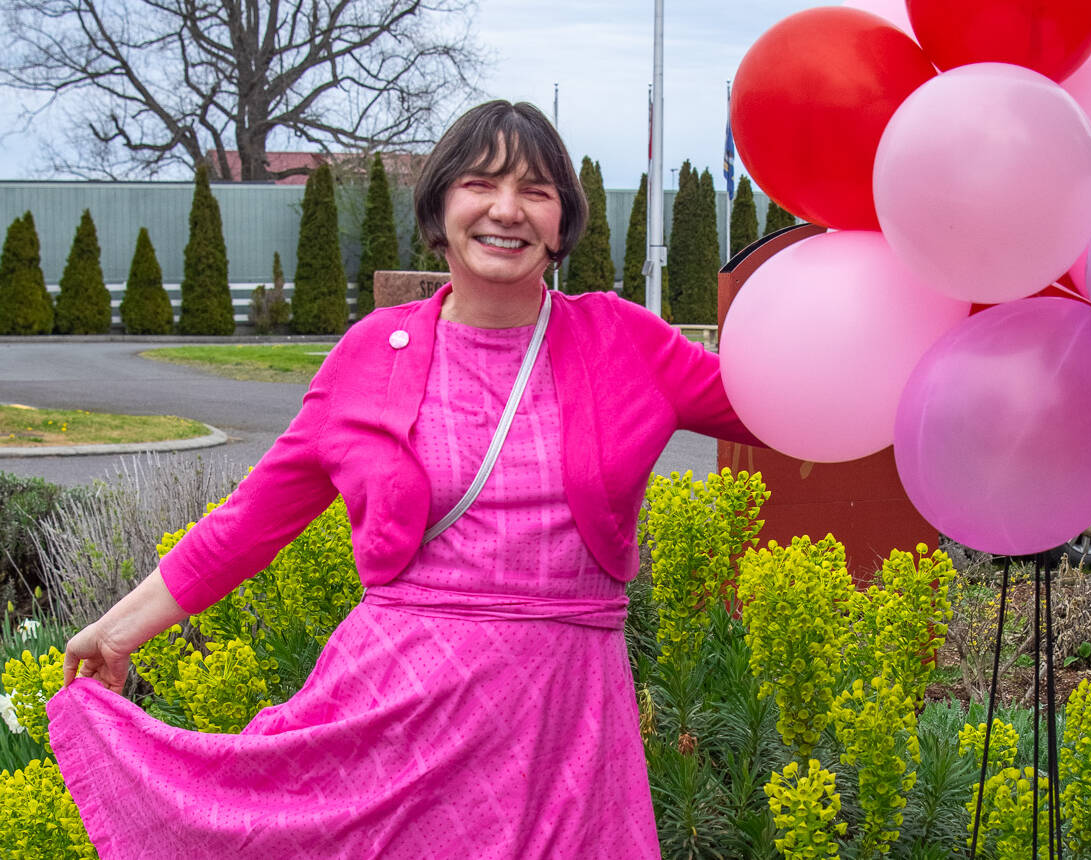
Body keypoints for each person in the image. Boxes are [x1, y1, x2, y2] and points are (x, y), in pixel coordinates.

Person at [47, 100, 761, 859]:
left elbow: (778, 407)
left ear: (562, 223)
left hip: (568, 722)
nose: (507, 210)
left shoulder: (622, 341)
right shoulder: (368, 357)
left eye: (537, 190)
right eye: (480, 184)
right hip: (396, 721)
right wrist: (117, 631)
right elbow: (252, 521)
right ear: (440, 205)